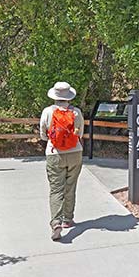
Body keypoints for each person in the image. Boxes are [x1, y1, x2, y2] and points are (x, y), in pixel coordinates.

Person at [40, 81, 84, 241]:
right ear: (69, 96)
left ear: (54, 96)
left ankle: (56, 222)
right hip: (75, 153)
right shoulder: (76, 112)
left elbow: (43, 134)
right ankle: (68, 219)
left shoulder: (47, 112)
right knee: (70, 186)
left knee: (56, 189)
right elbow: (80, 133)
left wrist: (52, 140)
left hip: (54, 154)